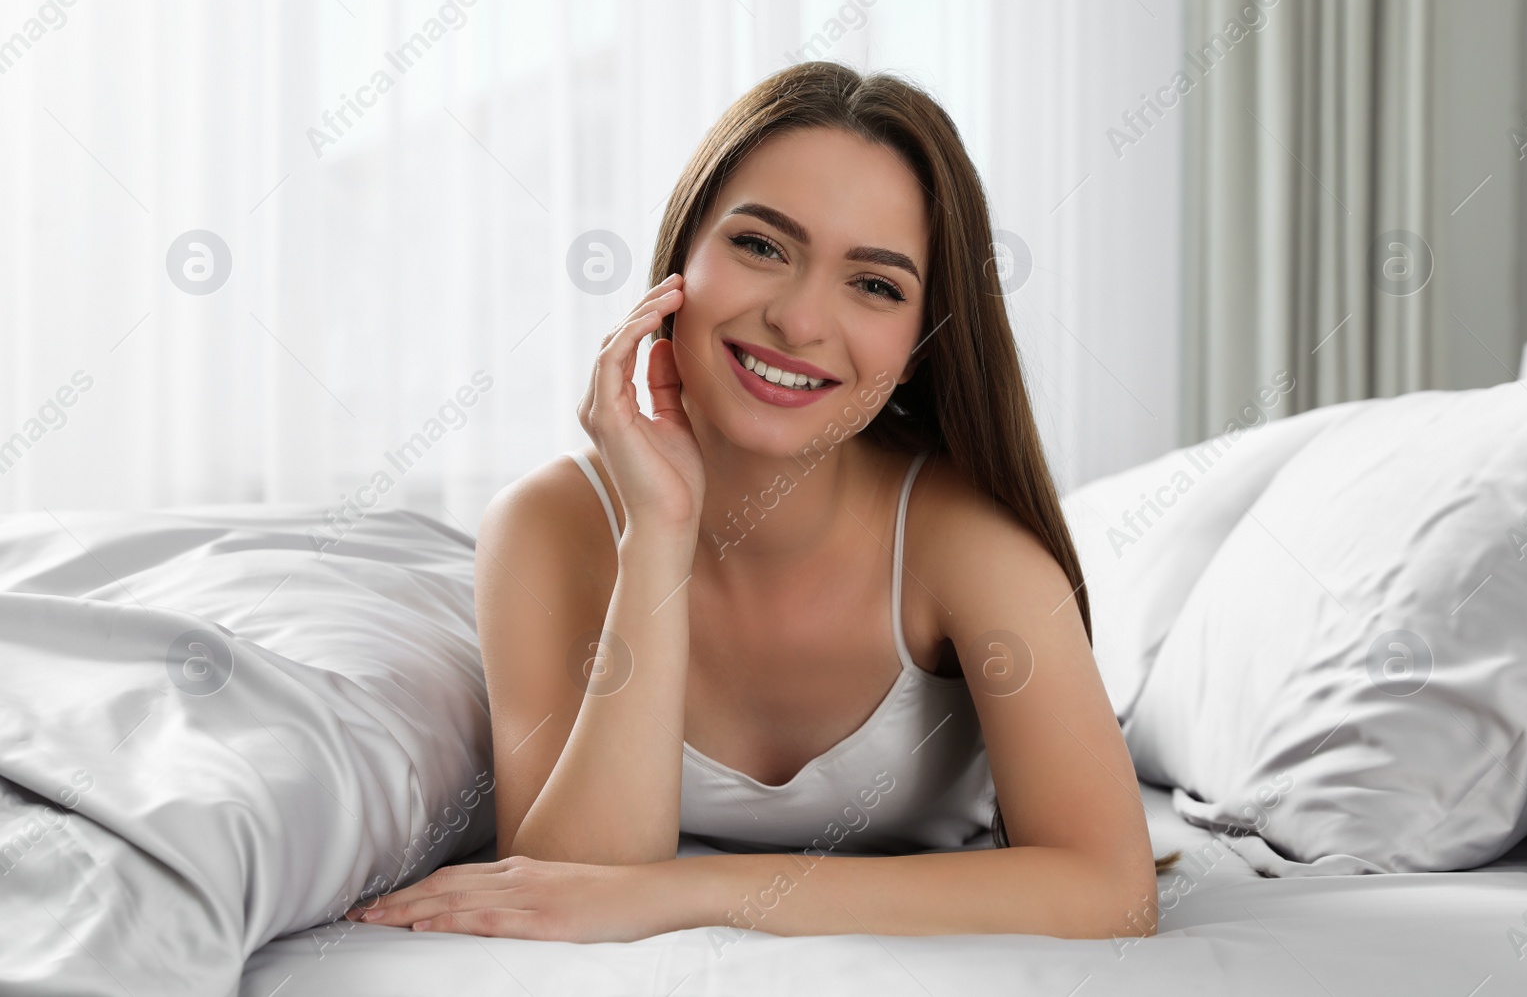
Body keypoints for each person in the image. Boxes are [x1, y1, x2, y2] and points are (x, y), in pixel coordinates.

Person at [349, 61, 1176, 943]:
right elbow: (566, 887)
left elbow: (1111, 888)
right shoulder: (545, 528)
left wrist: (700, 892)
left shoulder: (966, 543)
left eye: (876, 284)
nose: (799, 320)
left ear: (923, 344)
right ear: (681, 260)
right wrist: (659, 533)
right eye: (761, 246)